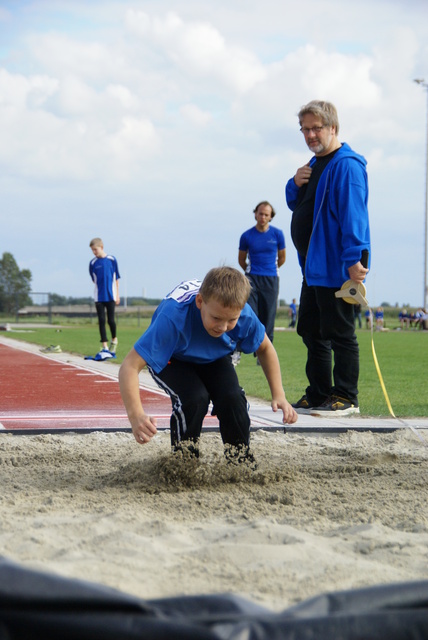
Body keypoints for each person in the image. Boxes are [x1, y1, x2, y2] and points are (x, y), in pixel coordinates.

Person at [119, 266, 297, 463]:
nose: (223, 327)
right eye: (216, 318)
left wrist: (279, 394)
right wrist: (136, 415)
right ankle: (183, 463)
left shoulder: (244, 315)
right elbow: (130, 366)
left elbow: (265, 348)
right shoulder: (173, 317)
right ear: (200, 302)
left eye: (231, 320)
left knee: (232, 398)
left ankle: (240, 461)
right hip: (174, 356)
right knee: (194, 398)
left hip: (215, 357)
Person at [285, 100, 370, 416]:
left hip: (336, 265)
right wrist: (294, 183)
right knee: (310, 329)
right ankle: (319, 393)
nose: (310, 134)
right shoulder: (315, 163)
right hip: (312, 265)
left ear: (332, 128)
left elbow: (354, 216)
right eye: (305, 129)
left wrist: (354, 259)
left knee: (339, 332)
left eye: (316, 128)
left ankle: (347, 397)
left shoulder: (346, 165)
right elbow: (298, 203)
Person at [238, 201, 286, 363]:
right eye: (260, 213)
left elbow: (282, 258)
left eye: (266, 214)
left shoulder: (278, 234)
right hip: (251, 278)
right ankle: (246, 346)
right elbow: (241, 259)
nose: (263, 217)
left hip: (271, 278)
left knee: (269, 315)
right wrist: (252, 271)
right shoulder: (246, 236)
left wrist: (270, 269)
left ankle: (264, 353)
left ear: (271, 217)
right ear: (255, 214)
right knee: (251, 313)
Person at [89, 237, 120, 354]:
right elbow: (94, 280)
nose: (94, 252)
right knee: (101, 320)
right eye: (92, 250)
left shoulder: (112, 260)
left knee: (111, 320)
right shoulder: (93, 263)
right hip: (99, 296)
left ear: (101, 247)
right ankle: (104, 346)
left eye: (95, 249)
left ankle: (114, 339)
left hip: (111, 295)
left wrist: (117, 295)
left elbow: (116, 279)